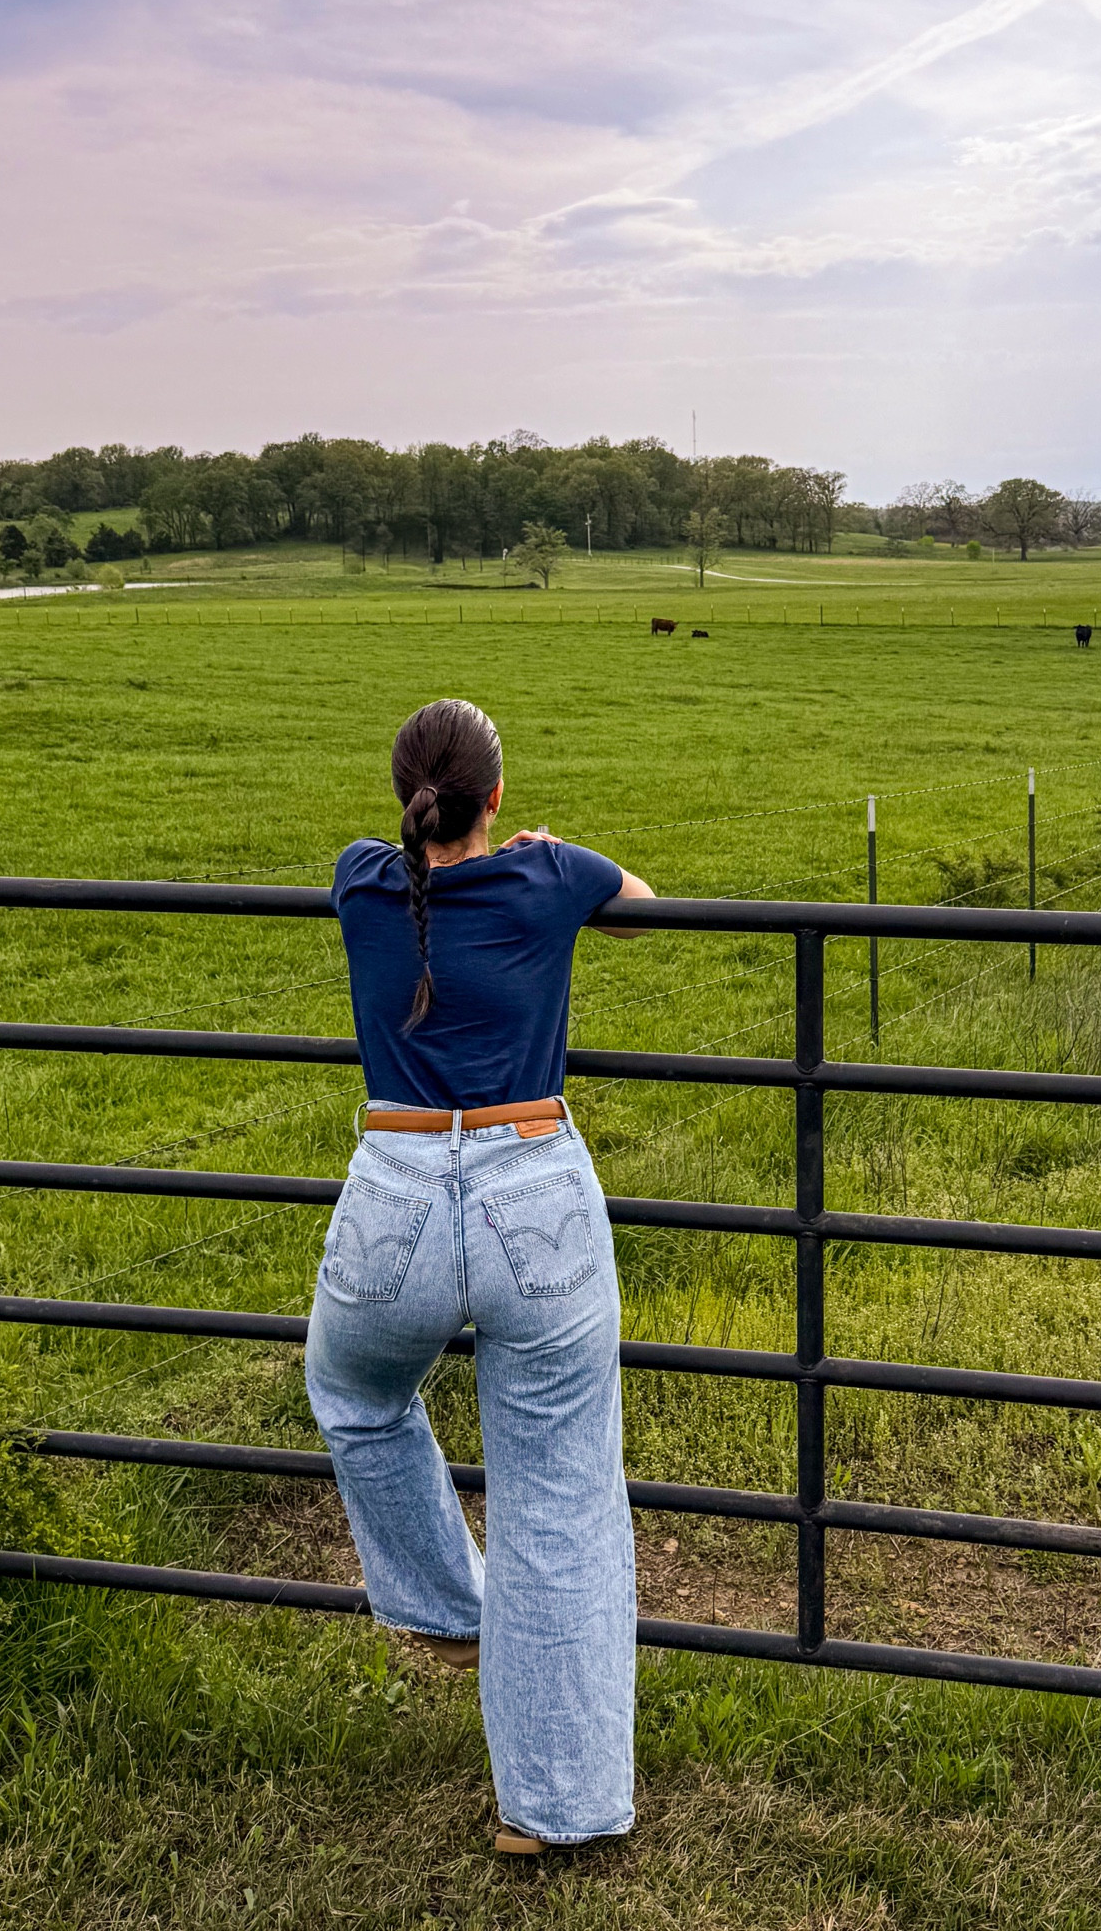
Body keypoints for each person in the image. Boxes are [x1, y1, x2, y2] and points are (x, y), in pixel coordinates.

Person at [305, 697, 655, 1855]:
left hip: (393, 1186)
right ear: (495, 797)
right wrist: (544, 851)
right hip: (532, 1183)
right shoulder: (549, 876)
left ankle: (449, 1607)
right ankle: (552, 1807)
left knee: (352, 1391)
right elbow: (644, 906)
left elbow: (400, 867)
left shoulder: (361, 879)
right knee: (557, 1488)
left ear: (402, 799)